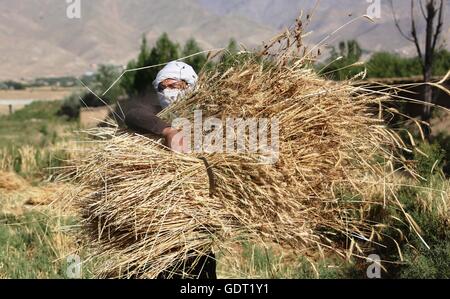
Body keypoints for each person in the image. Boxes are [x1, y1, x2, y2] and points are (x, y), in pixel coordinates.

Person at [120, 61, 217, 279]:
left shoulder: (206, 115)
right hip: (156, 225)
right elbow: (132, 114)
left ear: (190, 85)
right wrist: (168, 131)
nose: (168, 92)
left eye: (174, 85)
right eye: (162, 87)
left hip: (195, 222)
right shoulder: (156, 114)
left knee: (198, 271)